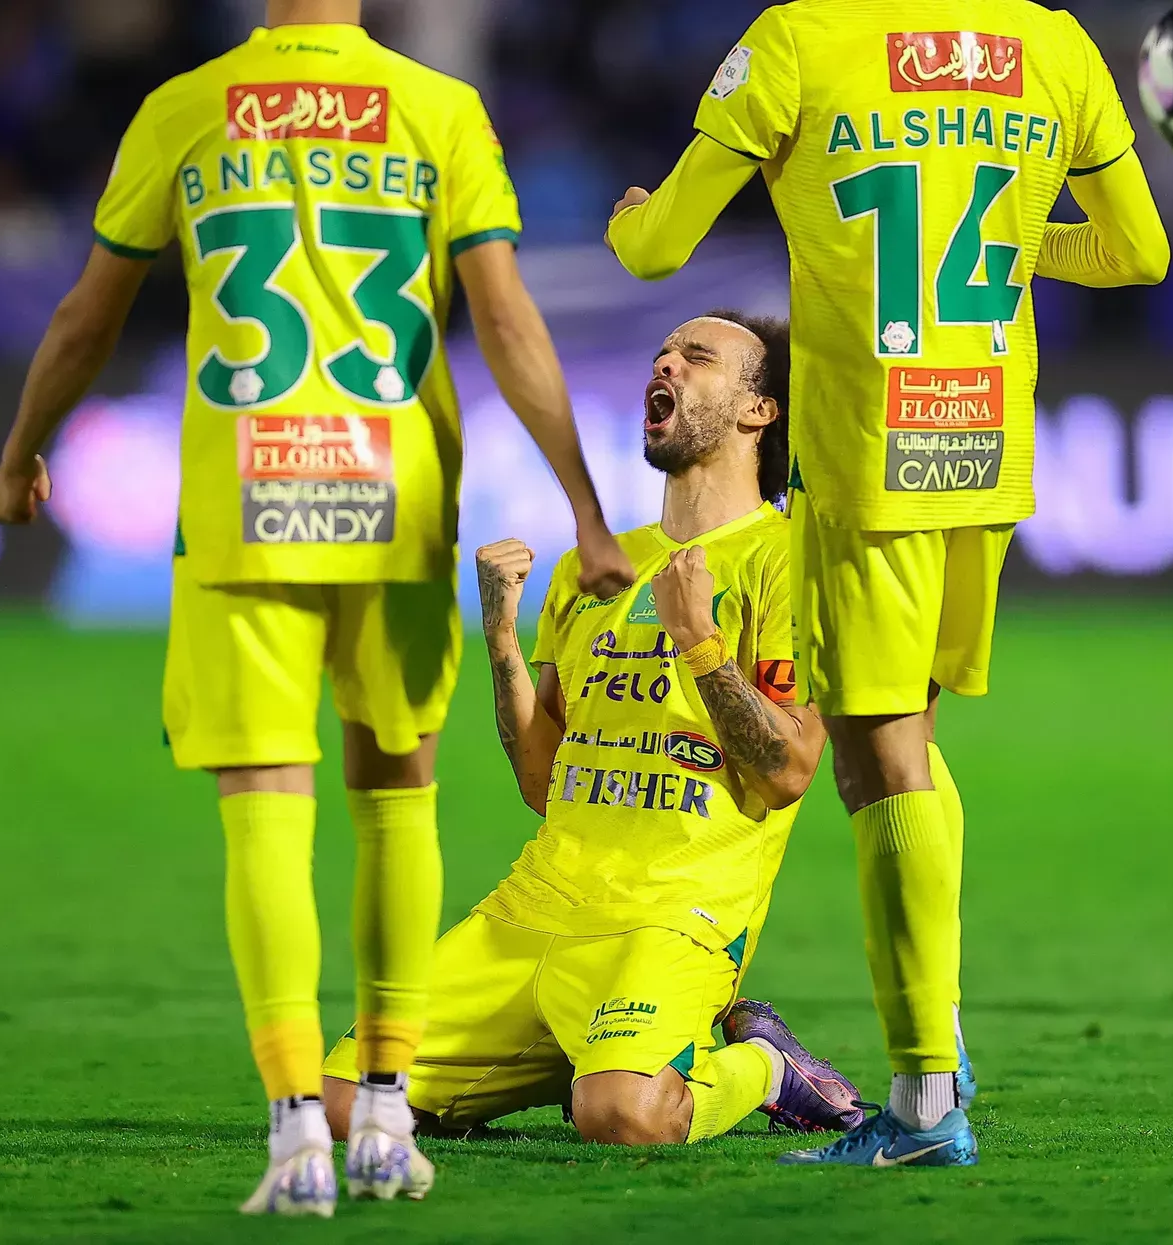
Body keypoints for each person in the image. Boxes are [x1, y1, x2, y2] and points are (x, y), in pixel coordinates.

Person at [0, 0, 634, 1217]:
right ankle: (387, 1116)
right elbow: (502, 318)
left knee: (265, 822)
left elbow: (88, 314)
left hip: (246, 506)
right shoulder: (440, 112)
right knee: (397, 799)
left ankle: (297, 1133)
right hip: (393, 505)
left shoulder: (183, 109)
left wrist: (24, 450)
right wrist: (586, 512)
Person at [605, 4, 1170, 1166]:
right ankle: (941, 1052)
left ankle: (920, 1107)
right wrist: (1019, 236)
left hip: (870, 460)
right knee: (903, 735)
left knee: (878, 754)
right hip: (982, 450)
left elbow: (661, 247)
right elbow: (1136, 254)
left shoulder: (802, 41)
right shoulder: (1051, 45)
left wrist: (626, 231)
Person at [323, 311, 860, 1145]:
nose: (668, 363)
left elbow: (787, 770)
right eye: (662, 354)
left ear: (761, 410)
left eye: (697, 357)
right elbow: (543, 779)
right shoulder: (591, 567)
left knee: (624, 1116)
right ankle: (565, 1058)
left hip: (672, 917)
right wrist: (502, 642)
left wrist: (704, 648)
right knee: (344, 1103)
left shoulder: (789, 560)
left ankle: (762, 1066)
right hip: (536, 906)